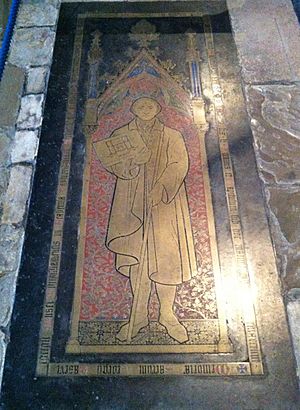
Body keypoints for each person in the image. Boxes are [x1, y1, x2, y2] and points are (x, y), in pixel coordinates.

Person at [93, 97, 197, 343]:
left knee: (167, 261)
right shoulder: (123, 134)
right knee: (137, 259)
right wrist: (125, 169)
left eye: (151, 105)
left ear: (159, 107)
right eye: (140, 106)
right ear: (133, 109)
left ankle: (167, 315)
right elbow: (115, 161)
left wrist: (161, 187)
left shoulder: (171, 135)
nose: (146, 109)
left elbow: (179, 163)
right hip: (131, 205)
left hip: (165, 205)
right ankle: (138, 316)